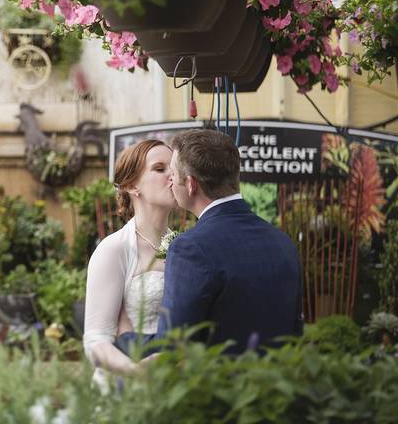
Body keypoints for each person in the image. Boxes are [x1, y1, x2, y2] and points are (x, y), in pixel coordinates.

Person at [157, 129, 303, 353]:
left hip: (219, 385)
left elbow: (173, 344)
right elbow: (294, 333)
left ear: (191, 184)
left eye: (174, 175)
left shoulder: (191, 248)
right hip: (277, 383)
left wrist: (124, 339)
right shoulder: (283, 243)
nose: (170, 181)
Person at [83, 139, 177, 377]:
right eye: (159, 169)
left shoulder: (183, 246)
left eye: (175, 169)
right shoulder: (113, 250)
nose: (172, 176)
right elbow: (95, 341)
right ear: (133, 185)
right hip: (125, 383)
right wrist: (135, 371)